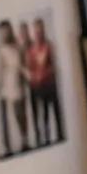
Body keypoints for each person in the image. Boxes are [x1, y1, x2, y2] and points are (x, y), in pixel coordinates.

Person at [0, 20, 28, 156]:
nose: (5, 33)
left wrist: (23, 79)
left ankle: (24, 141)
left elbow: (21, 64)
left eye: (7, 30)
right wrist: (0, 84)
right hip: (4, 85)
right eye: (2, 30)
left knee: (20, 113)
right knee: (5, 117)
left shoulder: (17, 46)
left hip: (17, 82)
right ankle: (7, 147)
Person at [26, 17, 63, 146]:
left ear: (43, 30)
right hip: (39, 86)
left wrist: (45, 73)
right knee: (44, 113)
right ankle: (45, 139)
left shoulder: (49, 46)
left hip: (50, 84)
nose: (38, 32)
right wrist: (35, 77)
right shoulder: (31, 50)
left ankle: (60, 136)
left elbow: (54, 65)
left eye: (40, 29)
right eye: (36, 30)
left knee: (56, 112)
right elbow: (30, 69)